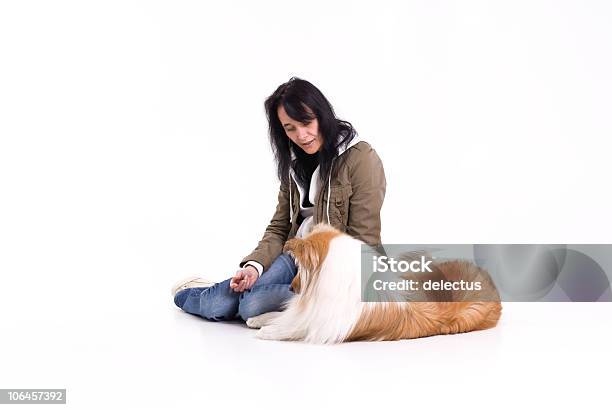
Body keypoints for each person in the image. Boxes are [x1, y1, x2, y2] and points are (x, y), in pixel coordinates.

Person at [172, 77, 386, 321]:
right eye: (289, 128)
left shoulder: (360, 157)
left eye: (306, 122)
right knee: (216, 306)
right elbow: (279, 227)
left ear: (322, 114)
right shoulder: (293, 164)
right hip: (293, 255)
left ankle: (244, 297)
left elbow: (364, 240)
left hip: (332, 269)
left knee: (251, 305)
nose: (301, 135)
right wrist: (254, 267)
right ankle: (206, 291)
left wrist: (328, 287)